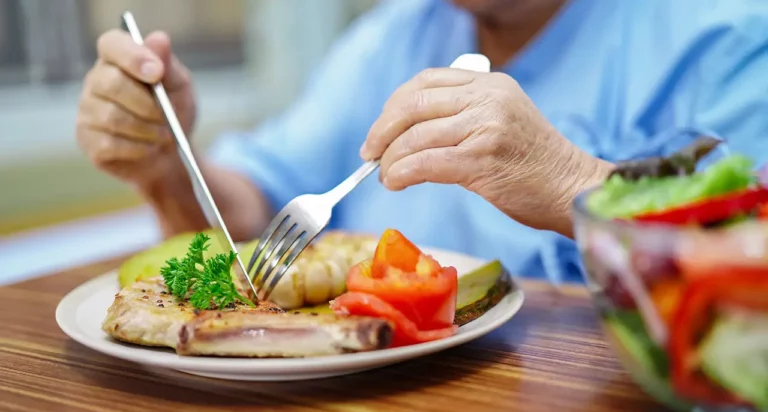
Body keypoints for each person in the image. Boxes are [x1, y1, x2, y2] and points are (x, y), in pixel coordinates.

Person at [76, 0, 768, 284]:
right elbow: (252, 213)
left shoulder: (727, 31)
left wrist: (570, 180)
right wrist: (167, 165)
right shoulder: (395, 34)